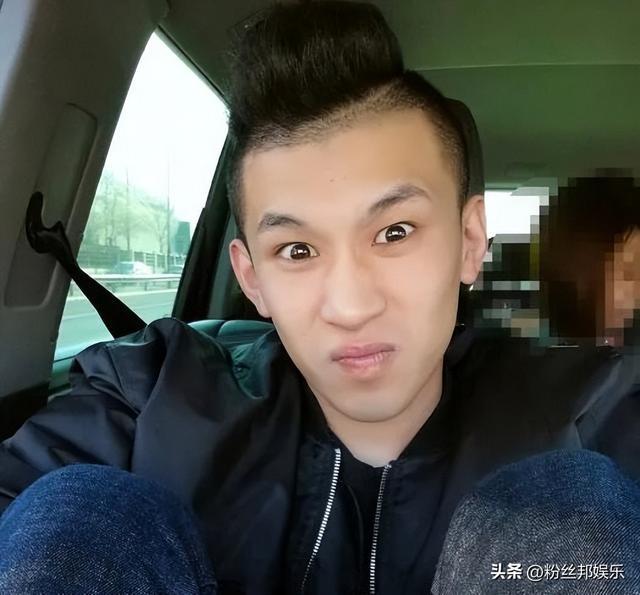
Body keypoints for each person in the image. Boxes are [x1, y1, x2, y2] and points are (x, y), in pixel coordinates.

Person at [0, 2, 638, 594]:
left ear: (470, 241)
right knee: (78, 514)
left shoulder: (592, 408)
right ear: (252, 277)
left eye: (394, 232)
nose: (350, 306)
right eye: (298, 250)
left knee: (569, 514)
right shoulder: (149, 393)